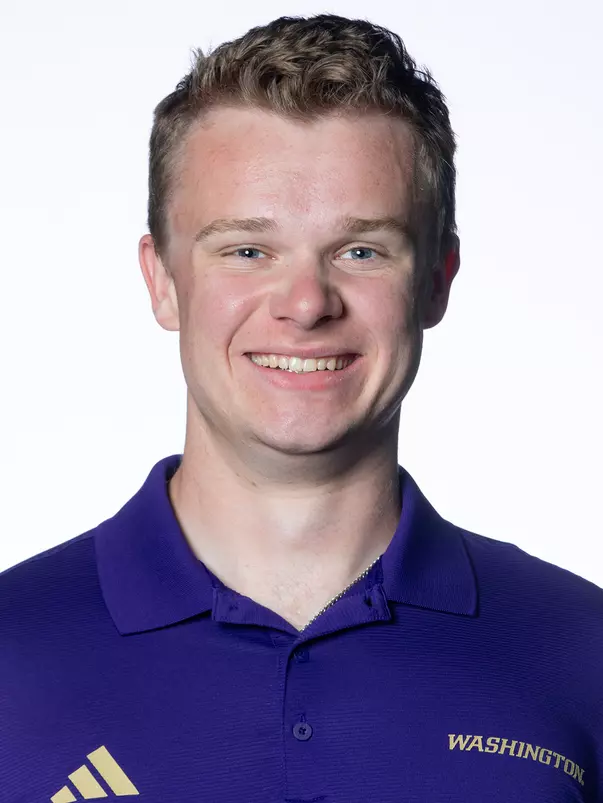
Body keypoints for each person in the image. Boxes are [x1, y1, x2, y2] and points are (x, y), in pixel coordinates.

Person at [1, 12, 601, 803]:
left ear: (436, 280)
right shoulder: (12, 654)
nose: (307, 303)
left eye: (361, 250)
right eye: (247, 249)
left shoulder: (578, 649)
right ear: (163, 280)